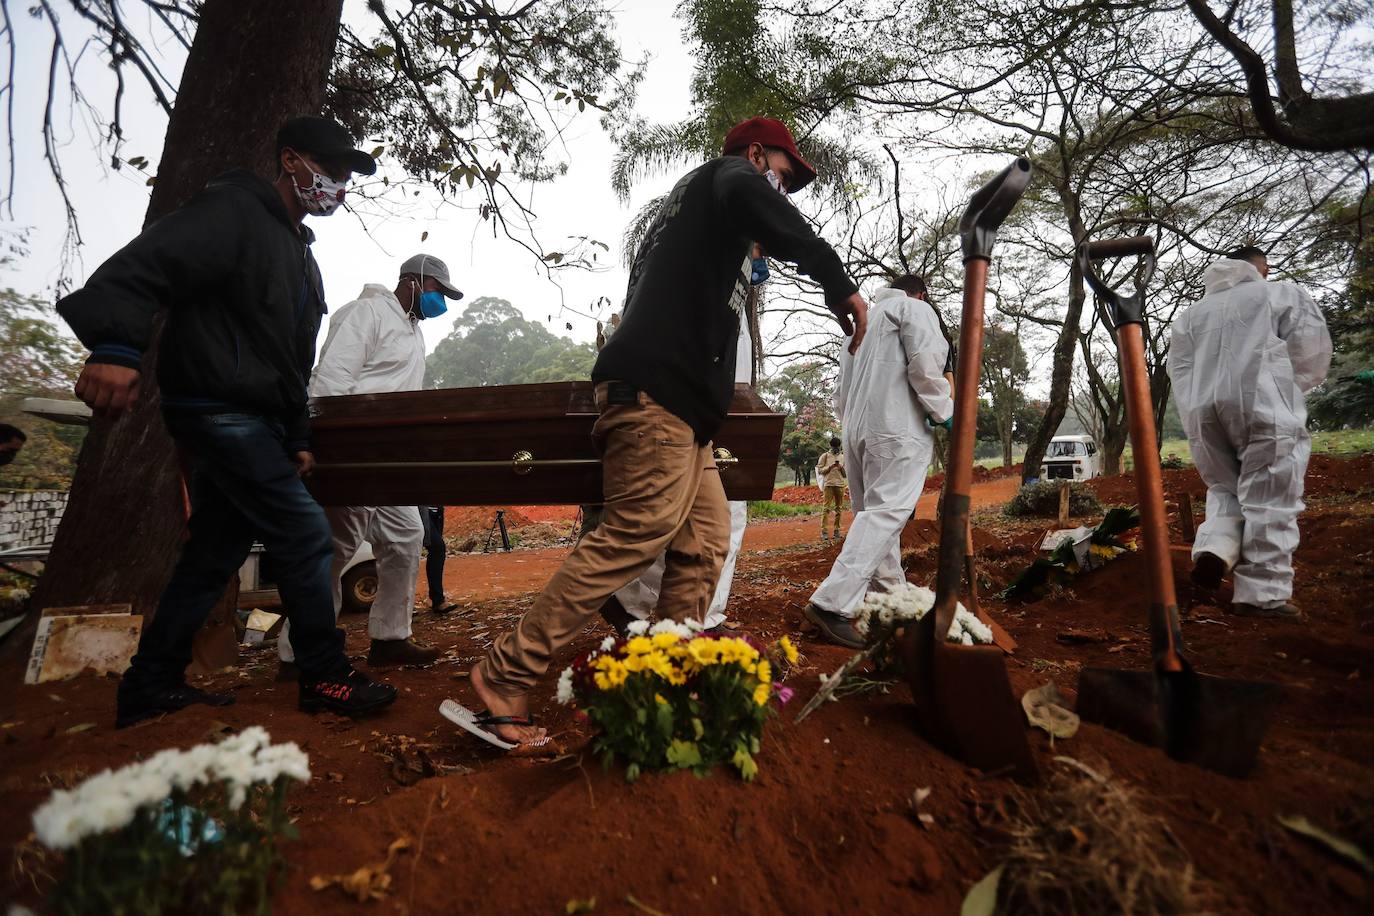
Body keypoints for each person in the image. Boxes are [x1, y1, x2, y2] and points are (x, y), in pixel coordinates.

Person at [465, 116, 868, 745]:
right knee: (639, 528)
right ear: (757, 156)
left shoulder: (686, 222)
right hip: (656, 399)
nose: (781, 196)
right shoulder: (727, 175)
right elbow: (752, 201)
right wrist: (834, 276)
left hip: (683, 412)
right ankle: (507, 670)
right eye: (783, 179)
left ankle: (665, 679)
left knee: (705, 539)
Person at [57, 116, 398, 726]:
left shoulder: (302, 260)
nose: (339, 185)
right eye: (331, 169)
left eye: (346, 177)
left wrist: (295, 436)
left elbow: (291, 362)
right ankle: (322, 675)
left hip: (258, 420)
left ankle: (149, 683)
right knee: (303, 534)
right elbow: (144, 265)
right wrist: (114, 347)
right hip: (216, 408)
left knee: (215, 553)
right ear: (291, 160)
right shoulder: (232, 212)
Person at [278, 254, 463, 674]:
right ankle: (299, 651)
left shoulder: (414, 333)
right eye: (438, 291)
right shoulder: (367, 313)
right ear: (414, 282)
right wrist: (325, 443)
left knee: (406, 535)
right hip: (352, 451)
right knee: (335, 547)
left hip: (391, 457)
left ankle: (390, 637)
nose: (442, 302)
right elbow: (331, 380)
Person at [1168, 245, 1331, 618]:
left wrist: (1198, 409)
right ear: (1263, 268)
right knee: (1270, 493)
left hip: (1204, 415)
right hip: (1262, 405)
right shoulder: (1278, 293)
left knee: (1226, 488)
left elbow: (1179, 370)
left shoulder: (1190, 316)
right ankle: (1262, 596)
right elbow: (1310, 352)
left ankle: (1216, 549)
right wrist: (1286, 387)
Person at [806, 274, 952, 648]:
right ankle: (833, 602)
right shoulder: (913, 308)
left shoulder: (863, 323)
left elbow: (841, 392)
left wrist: (855, 424)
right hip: (896, 428)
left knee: (874, 517)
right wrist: (944, 411)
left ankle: (892, 601)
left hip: (857, 429)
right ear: (921, 292)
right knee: (888, 513)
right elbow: (926, 366)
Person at [601, 319, 757, 635]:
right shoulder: (704, 292)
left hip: (697, 408)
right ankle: (694, 619)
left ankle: (662, 612)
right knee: (691, 514)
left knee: (700, 517)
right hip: (687, 410)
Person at [419, 506, 454, 613]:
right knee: (438, 547)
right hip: (420, 510)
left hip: (436, 510)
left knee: (436, 551)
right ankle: (437, 600)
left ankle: (437, 600)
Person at [816, 436, 846, 540]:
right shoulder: (825, 456)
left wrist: (841, 468)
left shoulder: (842, 457)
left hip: (840, 485)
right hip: (828, 484)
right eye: (834, 446)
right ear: (831, 446)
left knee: (839, 509)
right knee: (826, 508)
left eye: (837, 446)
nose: (836, 448)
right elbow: (819, 470)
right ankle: (824, 532)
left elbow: (845, 474)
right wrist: (830, 467)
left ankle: (836, 531)